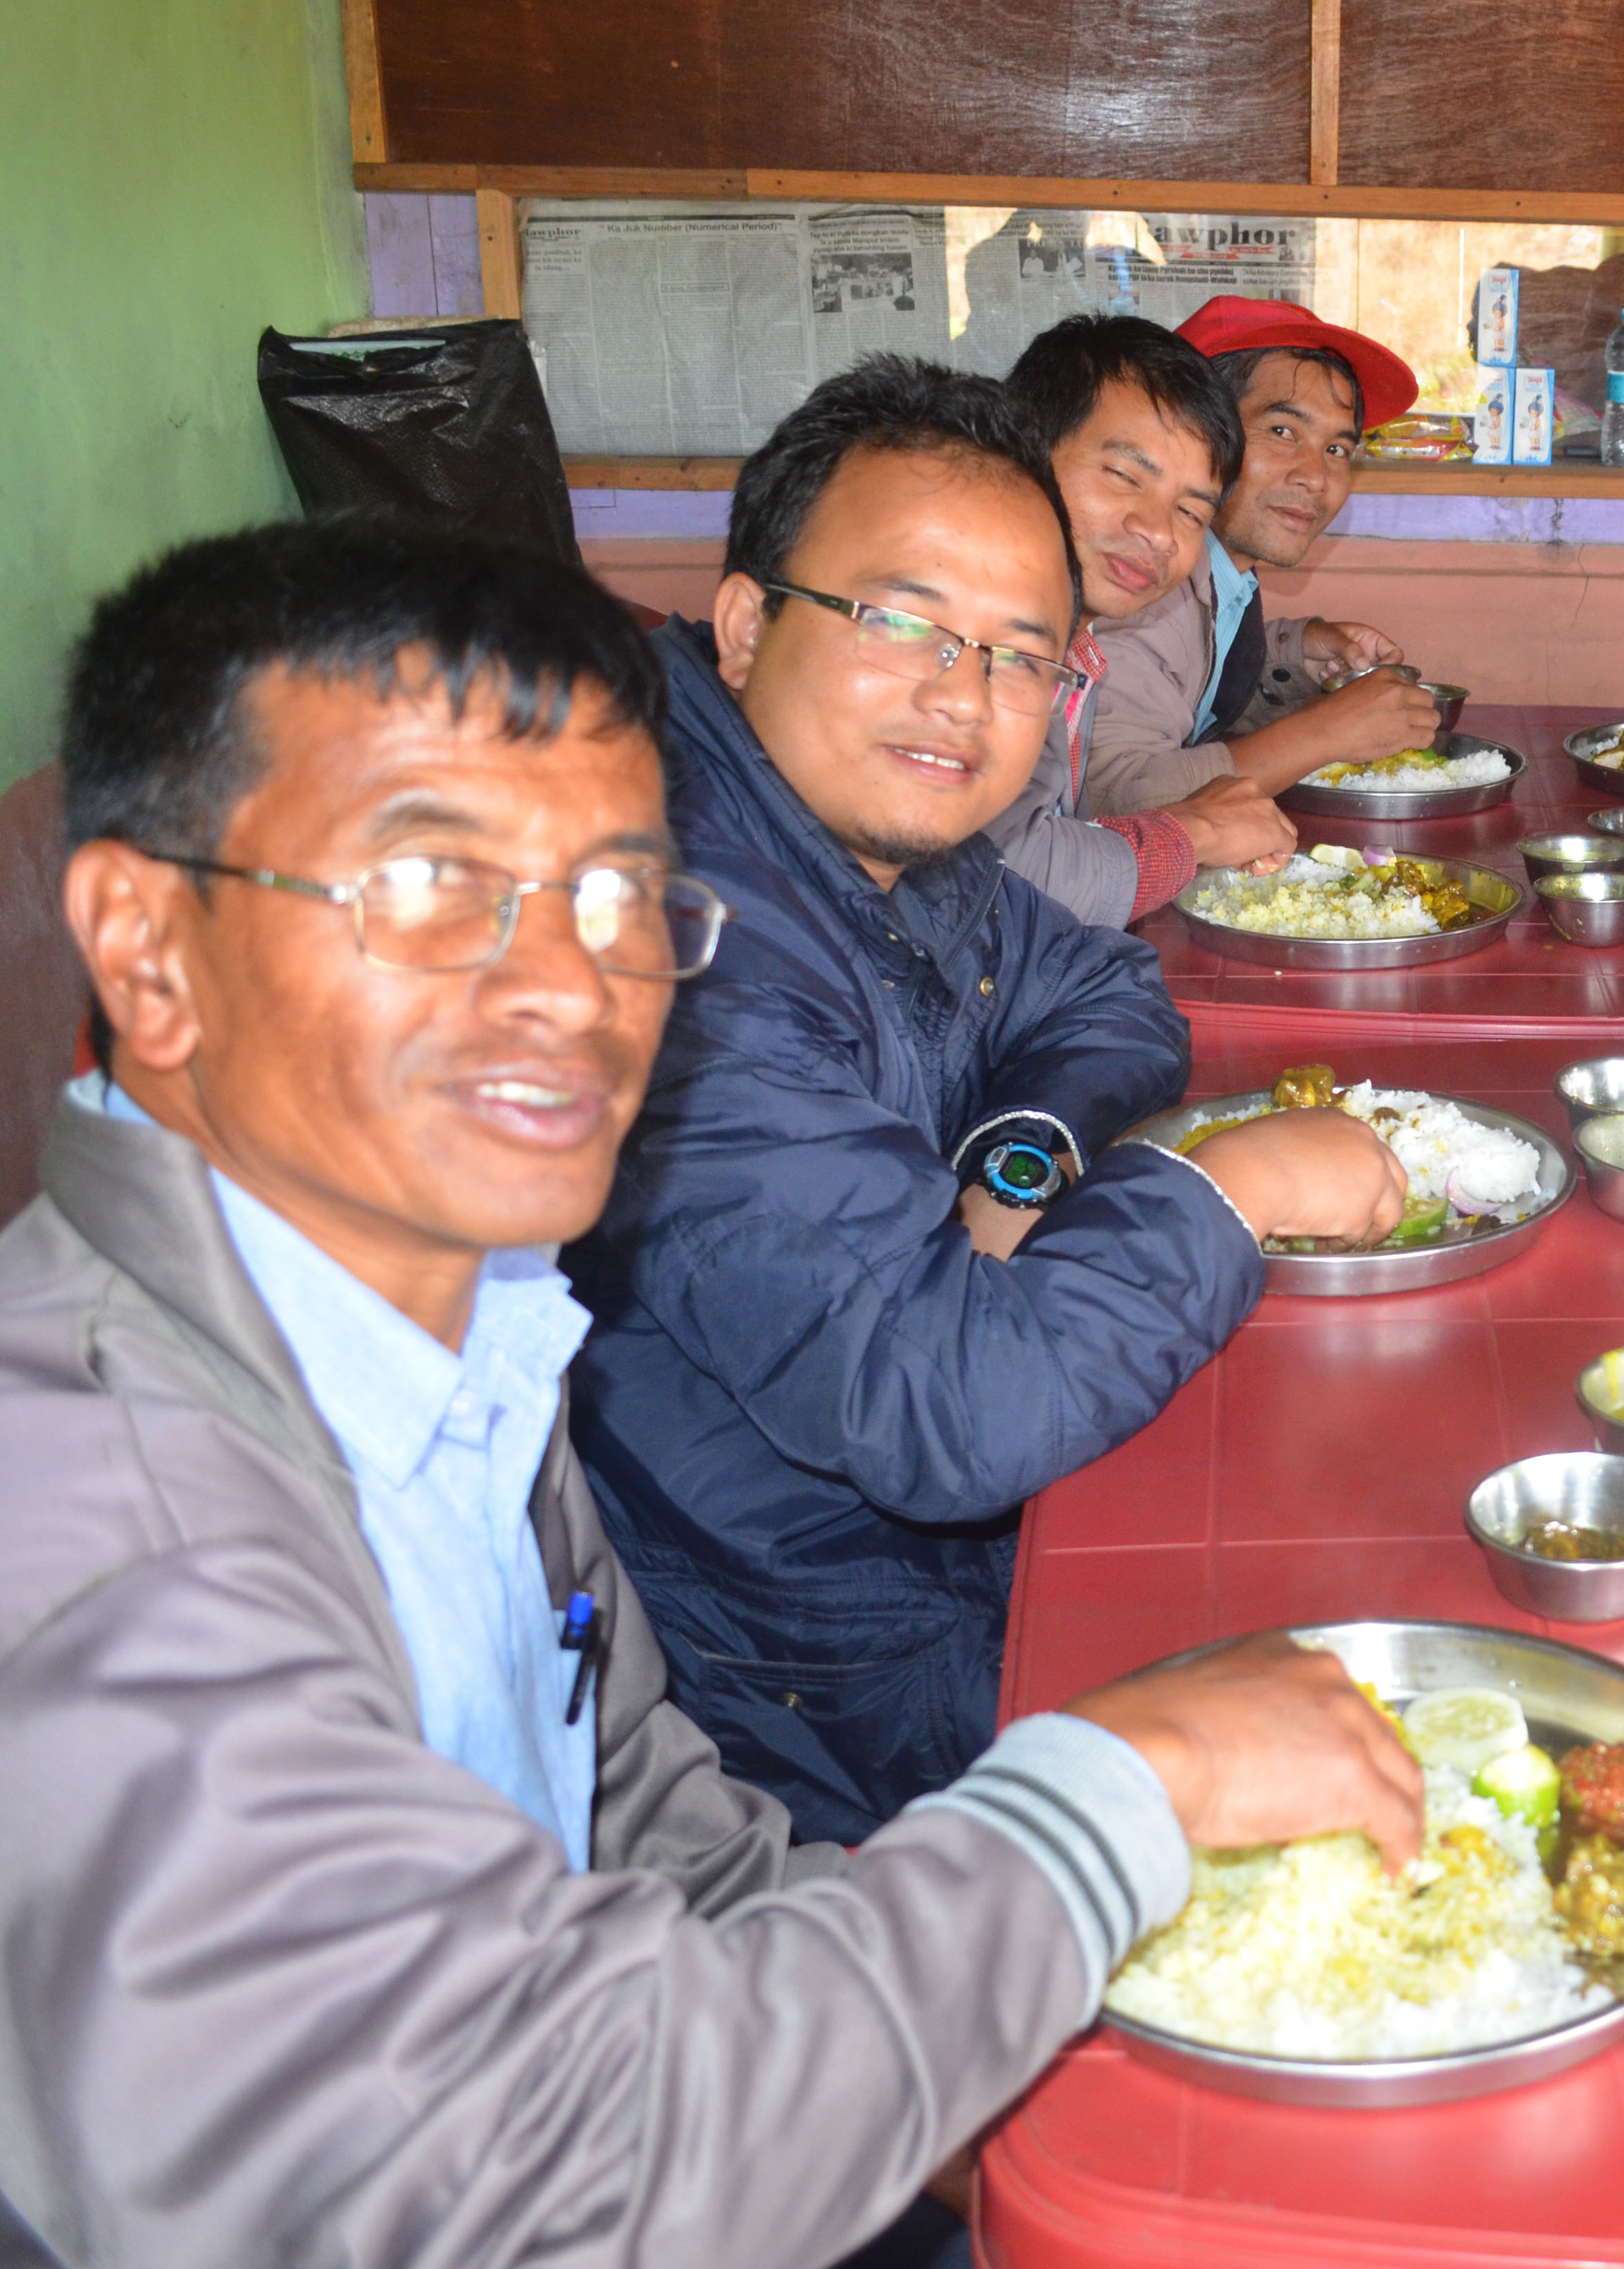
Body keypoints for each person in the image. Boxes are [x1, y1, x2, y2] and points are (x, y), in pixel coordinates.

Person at [0, 517, 1426, 2268]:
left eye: (621, 892)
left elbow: (641, 1825)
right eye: (432, 886)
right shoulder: (87, 1556)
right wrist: (1123, 1785)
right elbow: (556, 2179)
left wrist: (959, 2066)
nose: (569, 985)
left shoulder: (446, 1338)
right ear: (146, 947)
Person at [564, 357, 1409, 1844]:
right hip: (792, 1675)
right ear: (752, 621)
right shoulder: (680, 943)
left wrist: (1017, 1166)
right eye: (904, 624)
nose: (964, 698)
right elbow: (943, 1407)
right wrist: (1233, 1190)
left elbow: (1101, 993)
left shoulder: (879, 835)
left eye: (1023, 655)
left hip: (926, 1551)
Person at [1073, 295, 1450, 810]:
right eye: (1281, 431)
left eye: (1337, 449)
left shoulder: (1223, 573)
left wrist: (1293, 653)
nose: (1315, 477)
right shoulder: (1142, 581)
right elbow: (1119, 799)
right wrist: (1324, 733)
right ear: (1196, 435)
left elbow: (1189, 687)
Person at [982, 314, 1299, 925]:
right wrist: (1191, 832)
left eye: (1189, 511)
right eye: (1125, 477)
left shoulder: (1075, 651)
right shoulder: (973, 645)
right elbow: (993, 881)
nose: (1156, 532)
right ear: (1020, 453)